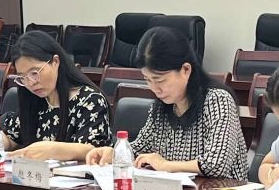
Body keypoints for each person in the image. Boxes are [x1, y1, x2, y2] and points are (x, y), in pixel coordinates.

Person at [86, 25, 248, 179]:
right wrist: (114, 154)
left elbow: (217, 164)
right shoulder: (161, 108)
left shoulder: (218, 101)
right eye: (147, 80)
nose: (154, 88)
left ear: (186, 70)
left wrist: (166, 165)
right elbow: (139, 149)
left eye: (160, 80)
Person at [3, 28, 112, 160]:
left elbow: (94, 150)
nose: (30, 83)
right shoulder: (34, 98)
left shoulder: (90, 100)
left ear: (55, 62)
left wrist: (51, 150)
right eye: (22, 77)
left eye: (34, 73)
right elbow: (12, 137)